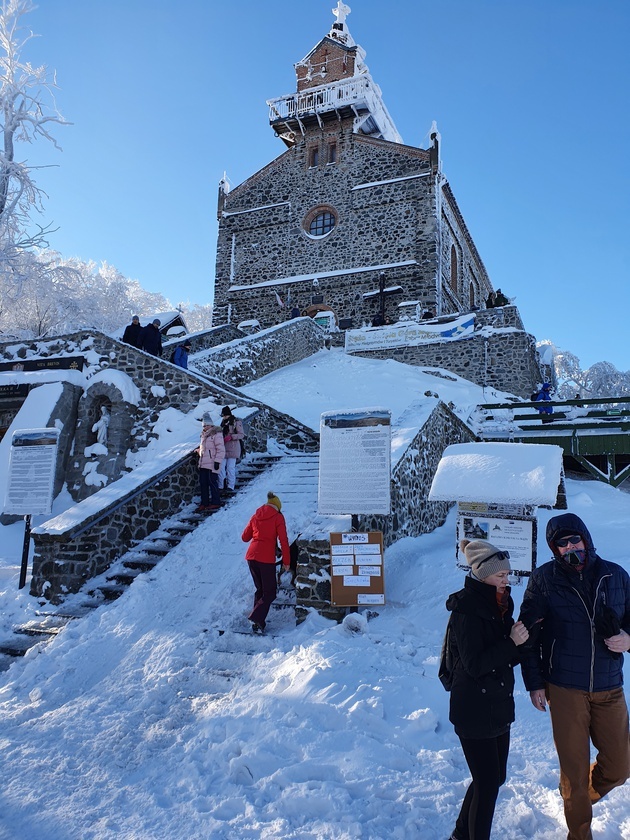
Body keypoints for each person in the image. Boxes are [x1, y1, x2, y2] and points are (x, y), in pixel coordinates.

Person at [519, 513, 630, 840]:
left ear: (586, 538)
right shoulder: (544, 579)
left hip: (609, 685)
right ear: (554, 549)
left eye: (574, 540)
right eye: (562, 544)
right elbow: (528, 636)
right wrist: (534, 682)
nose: (570, 547)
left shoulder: (616, 575)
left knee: (620, 767)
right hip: (564, 686)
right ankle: (578, 831)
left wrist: (628, 638)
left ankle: (576, 795)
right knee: (574, 769)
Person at [445, 539, 529, 840]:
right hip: (473, 710)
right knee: (488, 783)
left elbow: (506, 655)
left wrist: (524, 641)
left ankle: (460, 834)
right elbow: (475, 664)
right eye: (501, 575)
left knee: (493, 778)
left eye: (507, 575)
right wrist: (511, 643)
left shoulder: (500, 604)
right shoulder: (467, 609)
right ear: (483, 574)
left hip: (498, 705)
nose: (507, 580)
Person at [241, 491, 290, 634]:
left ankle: (258, 624)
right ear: (277, 507)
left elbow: (245, 537)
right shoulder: (278, 517)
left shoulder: (256, 515)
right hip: (266, 559)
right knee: (270, 592)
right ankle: (256, 617)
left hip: (251, 557)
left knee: (260, 590)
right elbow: (284, 541)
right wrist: (286, 561)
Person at [196, 413, 225, 512]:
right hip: (203, 463)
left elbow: (221, 449)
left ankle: (215, 502)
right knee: (203, 484)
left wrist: (217, 461)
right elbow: (205, 449)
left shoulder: (216, 434)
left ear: (211, 425)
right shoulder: (203, 435)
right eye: (204, 426)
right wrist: (199, 451)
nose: (205, 427)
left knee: (212, 483)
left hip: (212, 463)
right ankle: (204, 503)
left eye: (207, 425)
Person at [218, 405, 244, 495]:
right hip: (224, 448)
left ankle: (230, 486)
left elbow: (241, 435)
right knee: (221, 468)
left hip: (233, 448)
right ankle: (221, 486)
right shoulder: (222, 424)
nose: (224, 417)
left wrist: (231, 437)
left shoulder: (236, 422)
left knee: (230, 468)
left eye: (225, 415)